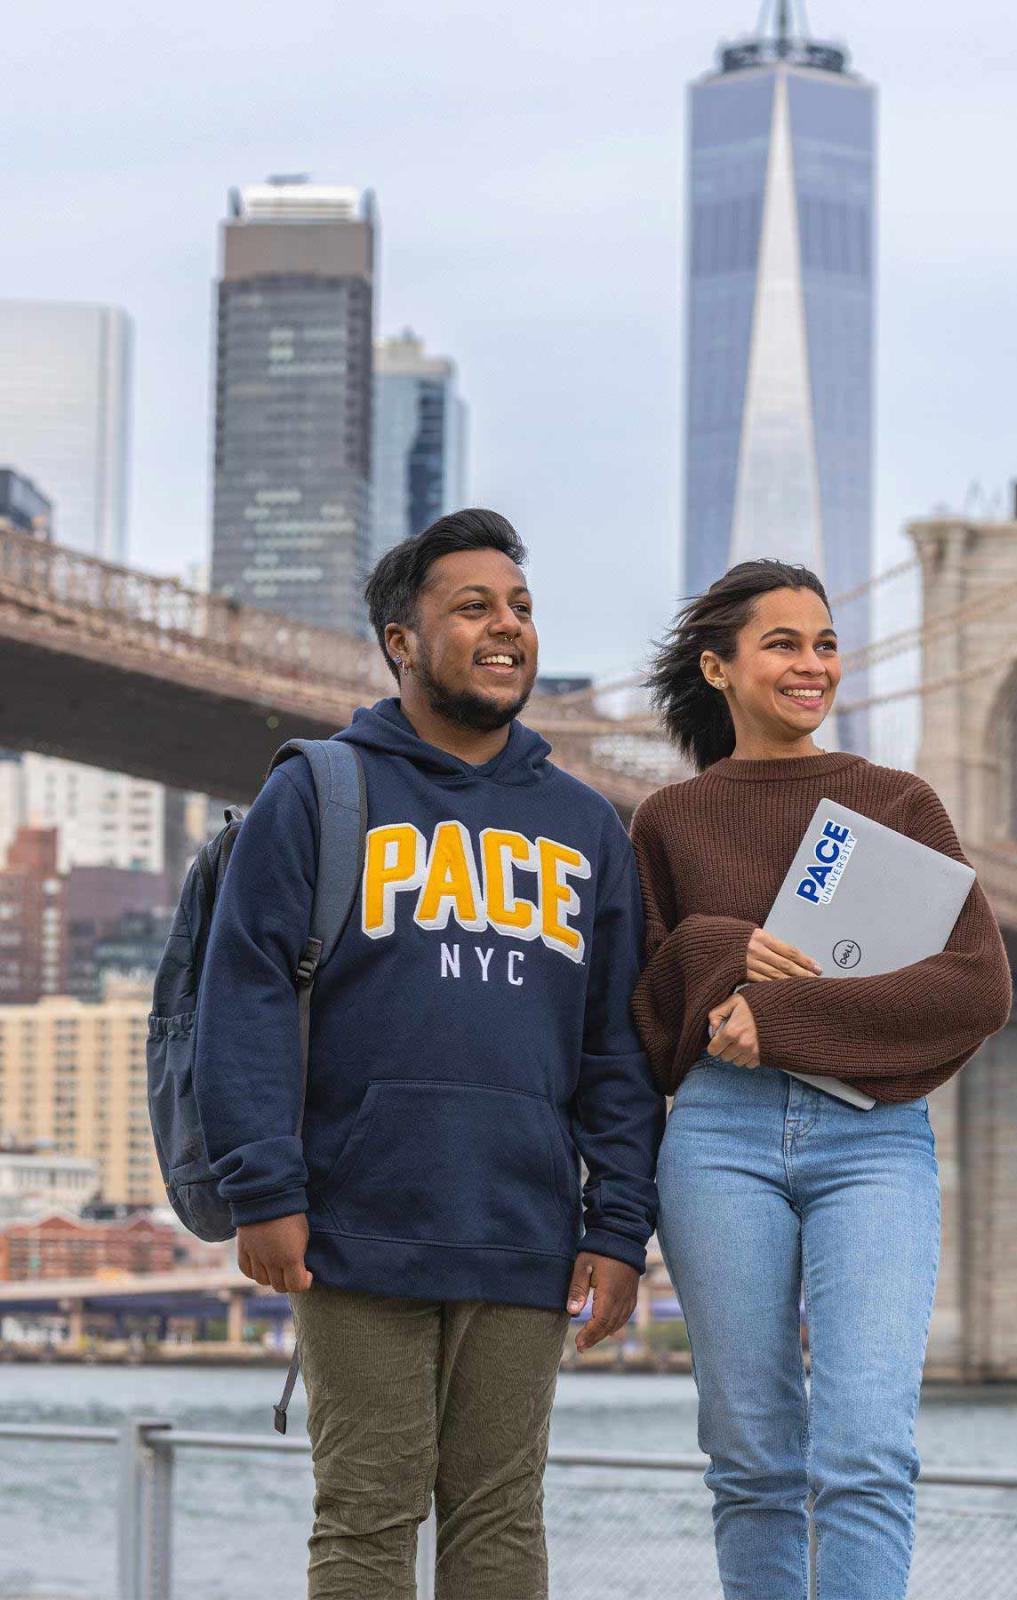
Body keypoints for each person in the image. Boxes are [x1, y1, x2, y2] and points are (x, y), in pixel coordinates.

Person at [194, 509, 663, 1598]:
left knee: (502, 1520)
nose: (508, 627)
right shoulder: (316, 792)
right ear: (400, 641)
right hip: (354, 1222)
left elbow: (615, 1049)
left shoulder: (587, 825)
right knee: (367, 1512)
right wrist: (263, 1189)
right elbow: (243, 997)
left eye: (522, 608)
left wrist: (618, 1226)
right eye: (474, 607)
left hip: (524, 1227)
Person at [629, 558, 1012, 1600]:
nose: (813, 665)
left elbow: (977, 986)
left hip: (873, 1139)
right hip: (718, 1139)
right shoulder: (667, 819)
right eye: (784, 644)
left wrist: (786, 1018)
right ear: (716, 667)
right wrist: (722, 948)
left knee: (866, 1449)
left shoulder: (897, 802)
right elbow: (641, 1009)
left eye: (827, 643)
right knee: (749, 1454)